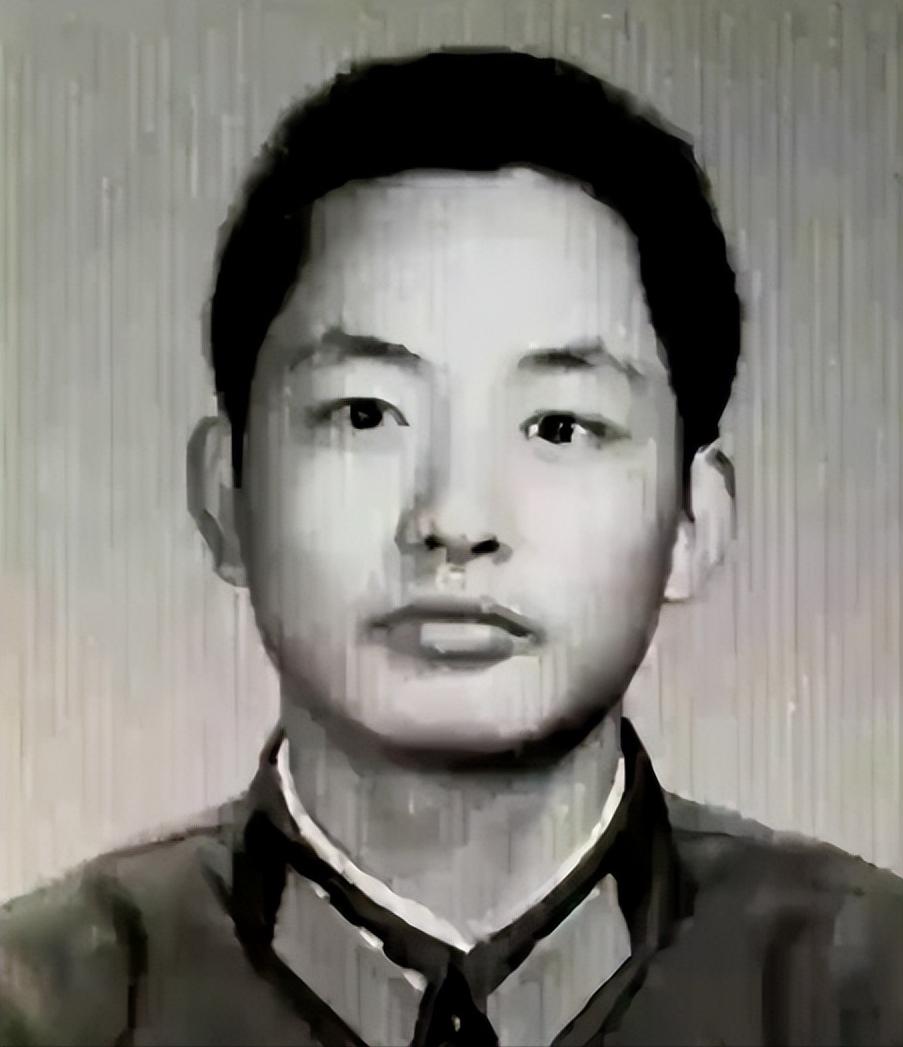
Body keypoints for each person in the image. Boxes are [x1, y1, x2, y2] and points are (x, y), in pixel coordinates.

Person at [1, 47, 901, 1047]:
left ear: (694, 520)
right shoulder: (41, 1011)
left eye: (559, 426)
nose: (455, 520)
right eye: (365, 413)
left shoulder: (868, 991)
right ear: (226, 496)